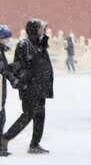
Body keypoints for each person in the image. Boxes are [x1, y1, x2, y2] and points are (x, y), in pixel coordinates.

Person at [1, 19, 54, 155]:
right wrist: (22, 83)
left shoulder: (39, 44)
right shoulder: (24, 44)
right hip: (30, 88)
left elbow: (42, 46)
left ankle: (34, 145)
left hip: (41, 87)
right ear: (34, 30)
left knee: (40, 116)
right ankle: (5, 138)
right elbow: (20, 65)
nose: (43, 31)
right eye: (40, 29)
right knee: (28, 115)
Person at [0, 25, 15, 156]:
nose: (8, 41)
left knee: (2, 117)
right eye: (6, 38)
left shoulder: (1, 51)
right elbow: (3, 69)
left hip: (1, 91)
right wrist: (13, 79)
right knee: (1, 117)